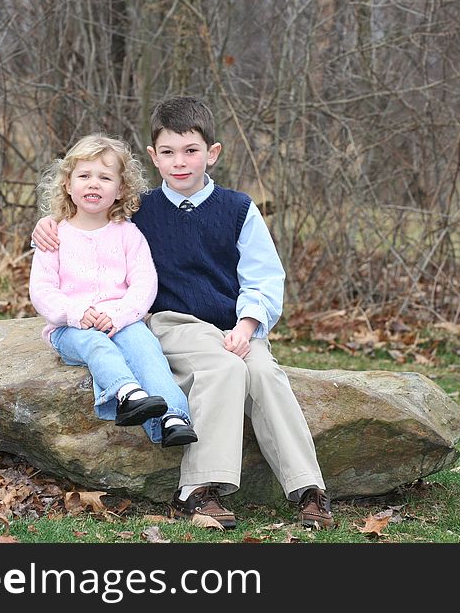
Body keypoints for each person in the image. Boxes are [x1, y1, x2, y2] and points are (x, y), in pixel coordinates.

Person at [33, 98, 333, 529]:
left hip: (235, 325)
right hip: (174, 324)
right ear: (154, 157)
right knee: (225, 369)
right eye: (168, 152)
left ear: (212, 154)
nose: (180, 162)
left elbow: (264, 278)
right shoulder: (140, 211)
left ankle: (307, 487)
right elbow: (89, 217)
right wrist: (46, 224)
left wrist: (248, 326)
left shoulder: (239, 209)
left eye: (190, 150)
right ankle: (200, 489)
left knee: (265, 374)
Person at [29, 133, 197, 449]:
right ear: (67, 184)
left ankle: (173, 417)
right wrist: (75, 314)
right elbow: (42, 290)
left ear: (120, 189)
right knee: (97, 345)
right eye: (84, 176)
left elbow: (144, 284)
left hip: (121, 322)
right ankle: (126, 394)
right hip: (69, 328)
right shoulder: (55, 236)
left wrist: (119, 316)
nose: (94, 184)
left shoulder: (128, 234)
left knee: (147, 350)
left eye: (105, 177)